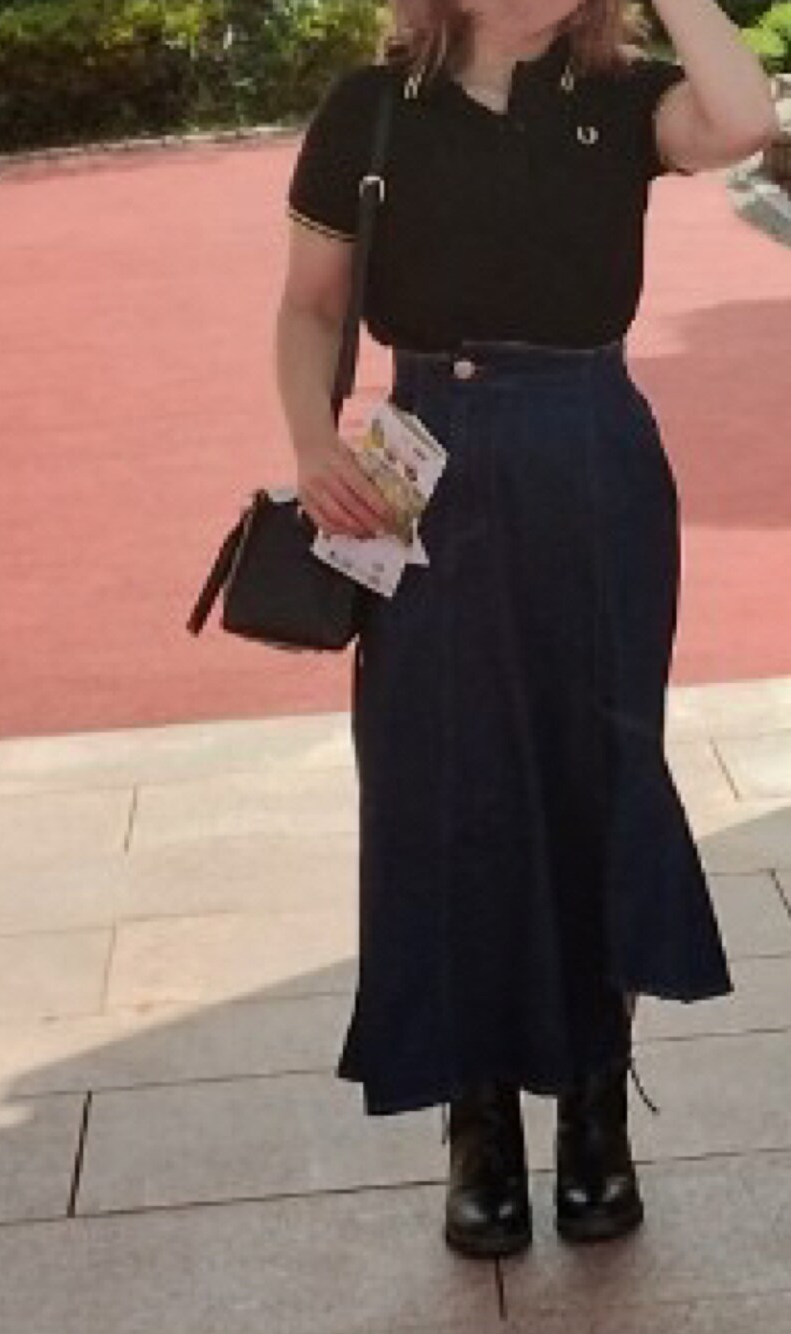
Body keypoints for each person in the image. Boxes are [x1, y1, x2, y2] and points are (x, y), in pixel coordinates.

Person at [274, 0, 778, 1259]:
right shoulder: (368, 109)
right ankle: (478, 1122)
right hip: (420, 460)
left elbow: (745, 119)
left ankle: (596, 1111)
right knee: (446, 786)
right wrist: (312, 442)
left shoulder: (621, 97)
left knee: (596, 770)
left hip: (589, 451)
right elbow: (311, 306)